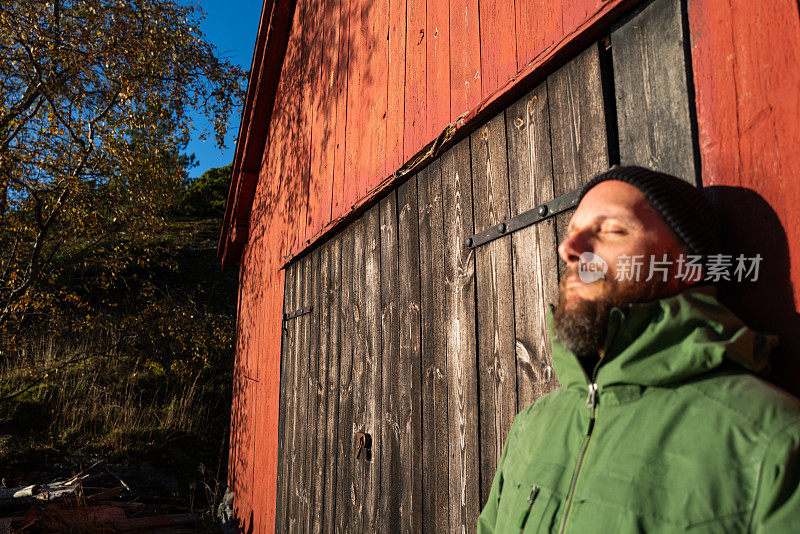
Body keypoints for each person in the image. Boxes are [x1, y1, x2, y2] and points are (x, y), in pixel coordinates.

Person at [477, 166, 800, 533]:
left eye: (613, 229)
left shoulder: (774, 443)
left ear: (686, 266)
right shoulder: (530, 428)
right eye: (571, 234)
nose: (568, 249)